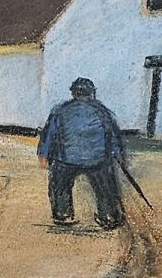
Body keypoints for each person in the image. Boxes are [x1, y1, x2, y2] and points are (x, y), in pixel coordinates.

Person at [36, 77, 125, 229]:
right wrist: (118, 154)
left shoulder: (60, 110)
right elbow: (112, 134)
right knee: (105, 186)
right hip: (97, 159)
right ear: (91, 93)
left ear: (74, 93)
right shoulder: (102, 111)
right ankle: (108, 216)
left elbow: (49, 134)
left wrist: (43, 154)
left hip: (66, 159)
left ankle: (62, 214)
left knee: (60, 184)